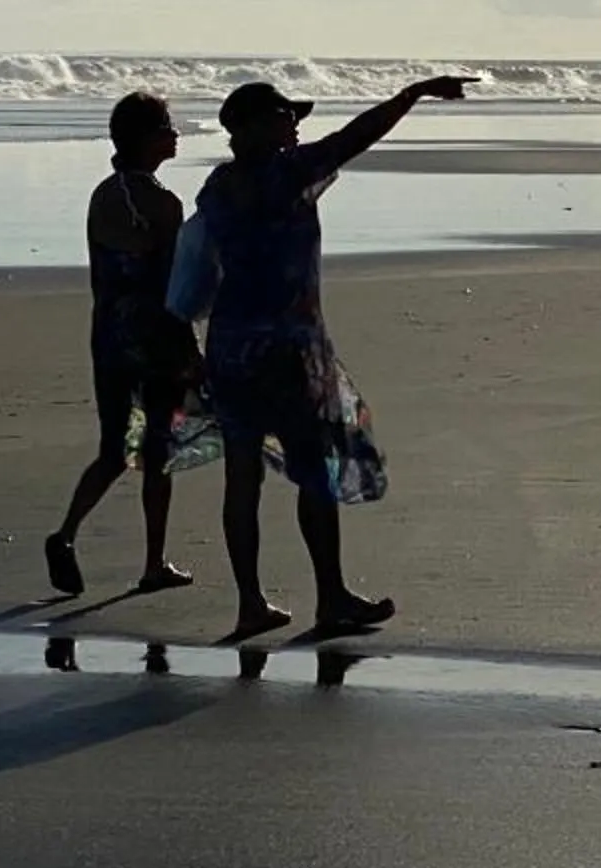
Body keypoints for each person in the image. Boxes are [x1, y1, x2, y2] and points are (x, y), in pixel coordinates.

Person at [193, 74, 472, 636]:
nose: (295, 124)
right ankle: (330, 597)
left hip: (231, 346)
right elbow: (357, 135)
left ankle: (251, 603)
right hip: (290, 350)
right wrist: (411, 94)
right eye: (284, 115)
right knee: (315, 473)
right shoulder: (288, 173)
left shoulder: (216, 187)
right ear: (253, 124)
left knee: (242, 478)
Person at [43, 91, 202, 600]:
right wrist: (191, 350)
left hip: (110, 335)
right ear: (144, 138)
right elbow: (172, 284)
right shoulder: (162, 203)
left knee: (113, 450)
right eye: (165, 126)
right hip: (156, 340)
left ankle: (66, 533)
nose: (174, 133)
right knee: (159, 453)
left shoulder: (103, 195)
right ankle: (154, 563)